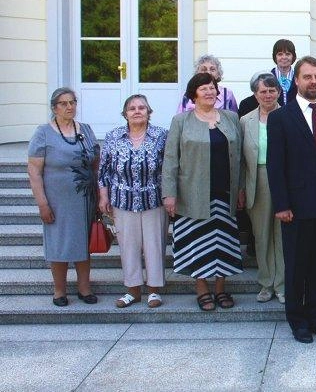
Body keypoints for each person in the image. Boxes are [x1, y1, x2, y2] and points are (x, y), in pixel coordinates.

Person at [267, 56, 316, 343]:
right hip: (296, 209)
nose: (313, 81)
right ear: (297, 81)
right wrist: (282, 205)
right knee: (297, 267)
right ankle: (297, 321)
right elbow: (275, 166)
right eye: (307, 77)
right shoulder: (280, 118)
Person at [163, 73, 243, 312]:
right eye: (203, 88)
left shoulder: (230, 118)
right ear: (193, 94)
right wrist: (169, 193)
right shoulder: (181, 121)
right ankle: (202, 289)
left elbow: (240, 156)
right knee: (198, 244)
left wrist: (240, 189)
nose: (209, 92)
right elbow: (170, 159)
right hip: (192, 195)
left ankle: (220, 289)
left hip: (224, 194)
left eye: (212, 88)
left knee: (224, 243)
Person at [27, 88, 100, 307]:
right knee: (59, 243)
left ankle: (84, 288)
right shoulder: (43, 133)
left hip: (85, 197)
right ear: (54, 108)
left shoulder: (85, 130)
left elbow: (96, 162)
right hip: (57, 200)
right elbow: (34, 171)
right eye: (64, 103)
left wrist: (98, 195)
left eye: (73, 102)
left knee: (83, 242)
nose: (70, 107)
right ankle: (59, 291)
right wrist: (42, 203)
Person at [97, 94, 168, 309]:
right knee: (128, 246)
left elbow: (170, 169)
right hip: (122, 199)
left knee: (155, 245)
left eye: (142, 108)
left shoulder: (161, 136)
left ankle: (154, 291)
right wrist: (103, 196)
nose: (137, 111)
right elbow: (104, 170)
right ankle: (132, 291)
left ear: (149, 112)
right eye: (132, 108)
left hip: (154, 199)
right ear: (125, 114)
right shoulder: (113, 136)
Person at [238, 73, 285, 305]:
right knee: (262, 235)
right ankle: (266, 284)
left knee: (283, 236)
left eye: (271, 90)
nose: (267, 95)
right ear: (255, 94)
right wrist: (240, 188)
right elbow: (239, 159)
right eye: (262, 91)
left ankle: (283, 285)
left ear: (279, 92)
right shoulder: (245, 121)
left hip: (285, 181)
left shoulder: (289, 116)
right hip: (257, 179)